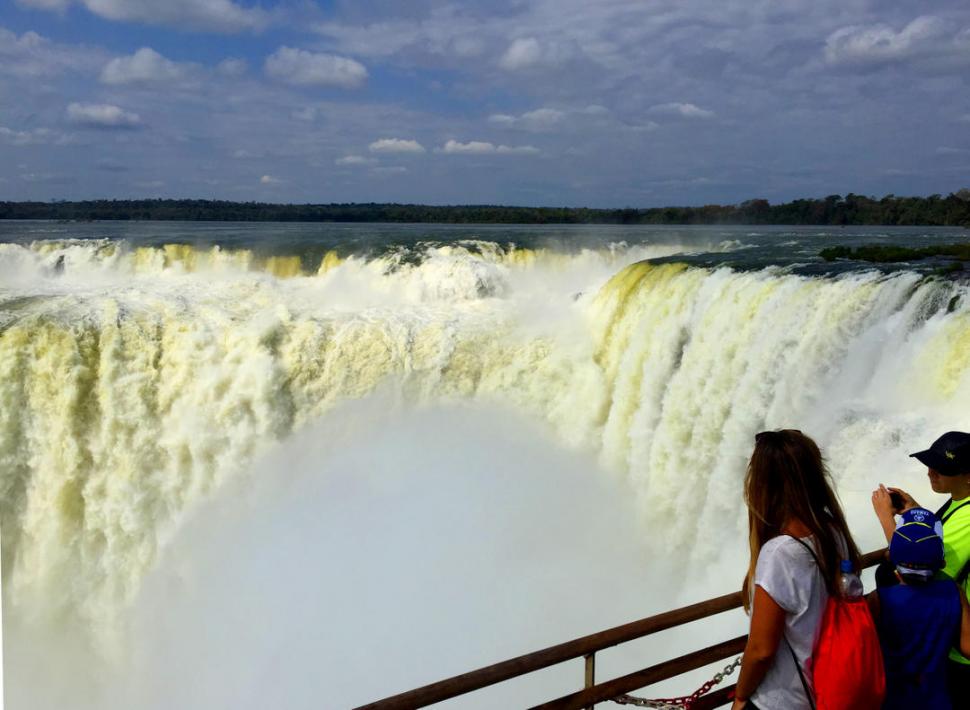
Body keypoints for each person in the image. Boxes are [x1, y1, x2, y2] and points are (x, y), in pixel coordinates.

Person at [732, 429, 861, 710]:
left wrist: (740, 695)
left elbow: (761, 651)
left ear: (764, 486)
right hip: (829, 687)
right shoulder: (833, 531)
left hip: (783, 700)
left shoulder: (779, 553)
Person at [872, 430, 970, 701]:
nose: (930, 472)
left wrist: (886, 520)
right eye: (929, 464)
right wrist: (916, 512)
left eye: (941, 468)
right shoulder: (959, 501)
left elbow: (921, 566)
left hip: (959, 649)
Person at [867, 507, 970, 709]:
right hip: (938, 701)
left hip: (893, 701)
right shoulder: (953, 592)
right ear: (942, 562)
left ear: (893, 560)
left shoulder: (879, 599)